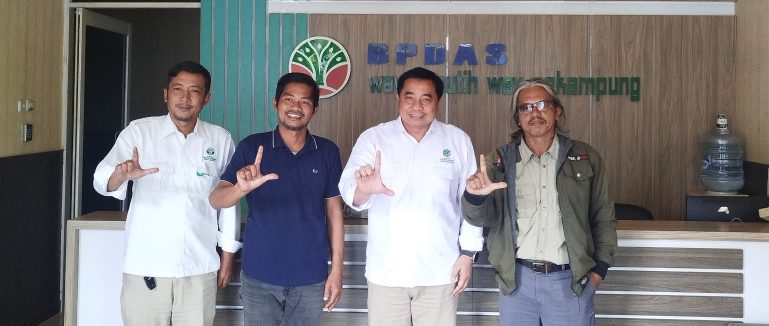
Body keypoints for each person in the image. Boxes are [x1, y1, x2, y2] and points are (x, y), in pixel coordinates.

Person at [93, 60, 241, 326]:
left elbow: (229, 200)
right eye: (178, 89)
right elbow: (102, 180)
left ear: (207, 98)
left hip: (199, 267)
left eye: (194, 91)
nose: (185, 98)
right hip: (146, 268)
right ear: (166, 94)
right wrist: (121, 174)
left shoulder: (220, 140)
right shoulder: (139, 132)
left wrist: (228, 255)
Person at [461, 78, 617, 326]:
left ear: (557, 111)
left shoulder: (585, 157)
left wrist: (598, 272)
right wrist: (474, 196)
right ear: (518, 118)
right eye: (525, 107)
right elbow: (479, 218)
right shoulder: (499, 162)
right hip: (517, 283)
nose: (534, 113)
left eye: (542, 105)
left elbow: (604, 219)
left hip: (570, 282)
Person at [338, 66, 483, 326]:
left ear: (438, 101)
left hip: (441, 271)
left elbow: (471, 202)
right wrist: (364, 189)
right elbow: (349, 191)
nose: (417, 106)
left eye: (426, 98)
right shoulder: (374, 138)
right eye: (410, 97)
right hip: (387, 273)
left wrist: (468, 254)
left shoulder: (458, 140)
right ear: (398, 98)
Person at [209, 72, 344, 326]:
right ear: (275, 103)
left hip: (310, 277)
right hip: (259, 275)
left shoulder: (327, 151)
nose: (295, 107)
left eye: (305, 101)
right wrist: (241, 189)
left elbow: (334, 213)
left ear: (315, 109)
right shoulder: (252, 147)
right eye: (288, 99)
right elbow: (216, 199)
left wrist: (337, 270)